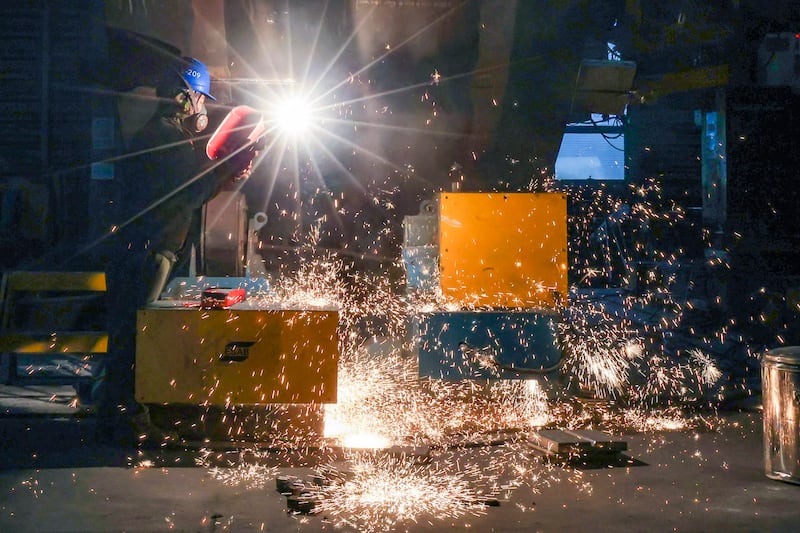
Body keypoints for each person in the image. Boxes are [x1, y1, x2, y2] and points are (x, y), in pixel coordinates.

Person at [95, 57, 259, 446]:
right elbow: (193, 190)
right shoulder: (164, 140)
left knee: (129, 333)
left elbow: (192, 187)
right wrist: (229, 168)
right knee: (135, 336)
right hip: (148, 251)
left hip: (144, 247)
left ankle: (115, 414)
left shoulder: (161, 137)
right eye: (200, 98)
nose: (202, 108)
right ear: (185, 97)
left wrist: (224, 174)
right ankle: (127, 422)